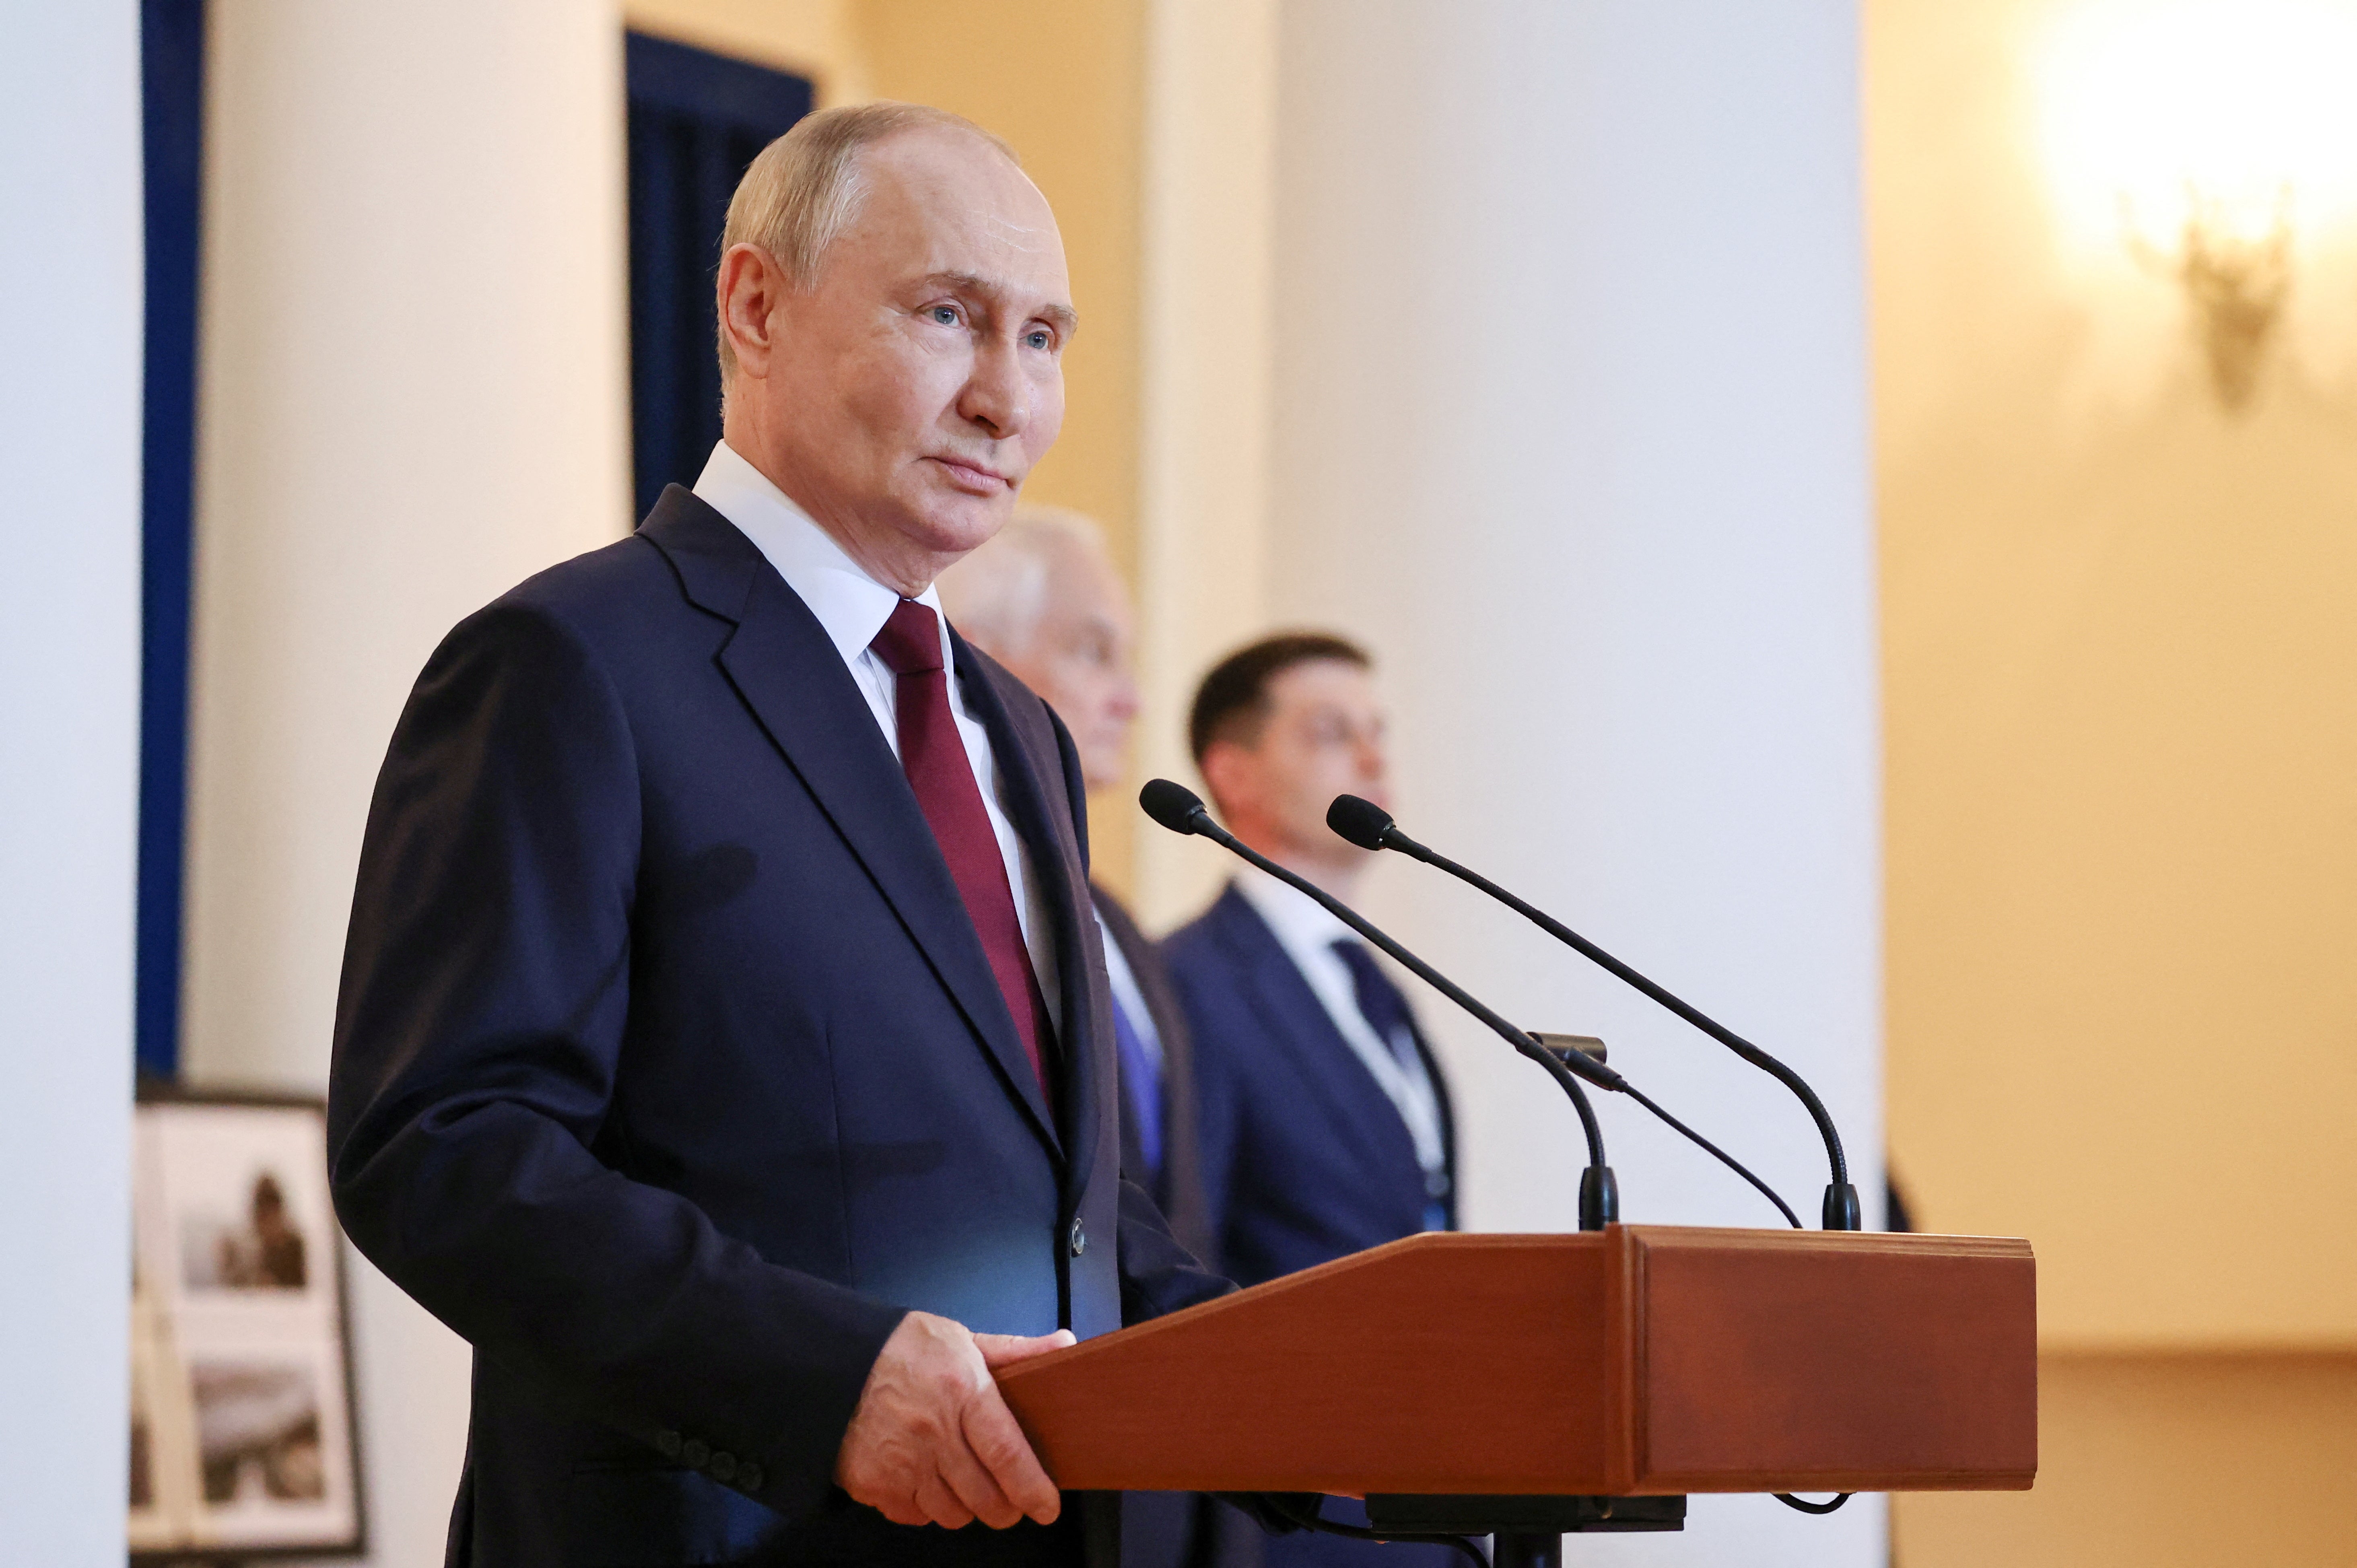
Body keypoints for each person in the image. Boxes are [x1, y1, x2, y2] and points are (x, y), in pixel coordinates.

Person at [327, 103, 1236, 1568]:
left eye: (1043, 338)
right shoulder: (573, 662)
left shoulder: (1020, 731)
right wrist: (828, 1383)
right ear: (755, 307)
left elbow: (1049, 1193)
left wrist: (1316, 1370)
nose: (1006, 399)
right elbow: (445, 1146)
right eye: (948, 316)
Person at [937, 512, 1245, 1568]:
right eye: (1091, 650)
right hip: (1006, 1479)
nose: (1132, 697)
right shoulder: (934, 912)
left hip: (1171, 1493)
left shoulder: (1116, 926)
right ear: (975, 659)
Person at [1160, 634, 1459, 1568]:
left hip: (1435, 1502)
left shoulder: (1377, 984)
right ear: (1233, 772)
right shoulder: (1190, 983)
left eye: (1378, 730)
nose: (1372, 758)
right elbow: (1190, 1252)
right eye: (1332, 732)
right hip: (1297, 1520)